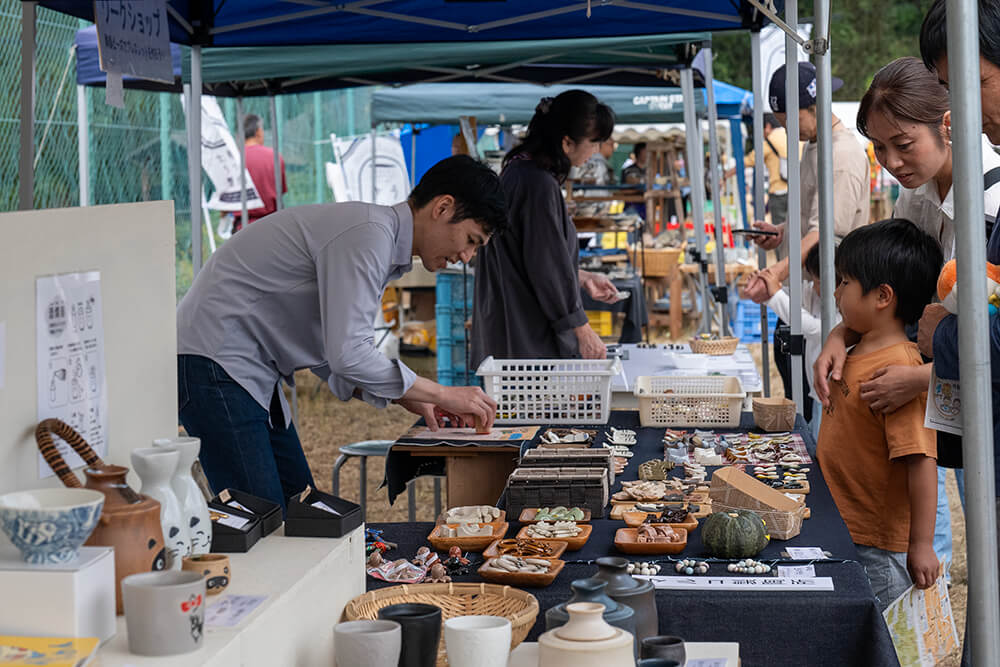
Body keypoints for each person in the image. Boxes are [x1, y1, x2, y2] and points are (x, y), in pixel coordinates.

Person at [177, 155, 506, 511]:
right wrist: (443, 393)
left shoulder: (377, 237)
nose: (466, 256)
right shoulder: (368, 235)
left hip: (243, 367)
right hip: (216, 361)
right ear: (443, 207)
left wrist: (405, 394)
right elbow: (348, 355)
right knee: (263, 521)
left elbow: (330, 350)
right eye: (471, 240)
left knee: (301, 511)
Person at [851, 56, 1000, 581]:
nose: (891, 160)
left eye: (903, 143)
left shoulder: (991, 201)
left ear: (946, 121)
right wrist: (840, 333)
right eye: (880, 148)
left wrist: (918, 376)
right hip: (945, 387)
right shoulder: (915, 193)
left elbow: (990, 340)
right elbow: (894, 285)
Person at [817, 219, 943, 611]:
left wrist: (921, 544)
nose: (836, 293)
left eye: (844, 282)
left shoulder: (898, 372)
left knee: (883, 640)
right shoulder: (856, 350)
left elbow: (921, 460)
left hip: (878, 547)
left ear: (882, 296)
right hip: (846, 529)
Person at [744, 62, 871, 421]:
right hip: (804, 291)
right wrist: (781, 232)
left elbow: (825, 232)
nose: (785, 127)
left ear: (812, 107)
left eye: (788, 118)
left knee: (813, 407)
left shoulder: (841, 154)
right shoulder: (815, 145)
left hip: (823, 298)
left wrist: (776, 275)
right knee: (797, 392)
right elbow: (810, 218)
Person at [471, 90, 618, 365]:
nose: (596, 151)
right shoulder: (537, 183)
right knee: (528, 407)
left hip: (513, 328)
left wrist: (581, 276)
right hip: (522, 335)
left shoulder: (522, 171)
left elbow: (534, 256)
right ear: (566, 142)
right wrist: (582, 329)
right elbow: (545, 266)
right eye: (594, 142)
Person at [756, 244, 839, 442]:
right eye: (813, 281)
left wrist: (775, 295)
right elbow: (797, 293)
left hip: (831, 397)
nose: (815, 287)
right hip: (817, 392)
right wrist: (767, 292)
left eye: (818, 282)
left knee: (821, 442)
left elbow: (812, 328)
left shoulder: (841, 312)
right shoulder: (815, 293)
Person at [239, 114, 287, 233]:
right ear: (259, 132)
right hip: (271, 226)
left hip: (241, 228)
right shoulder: (275, 157)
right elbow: (280, 194)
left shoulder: (235, 159)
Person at [743, 113, 791, 228]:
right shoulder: (792, 135)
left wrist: (726, 175)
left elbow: (748, 161)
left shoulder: (768, 142)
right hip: (797, 191)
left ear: (768, 126)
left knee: (780, 233)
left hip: (778, 193)